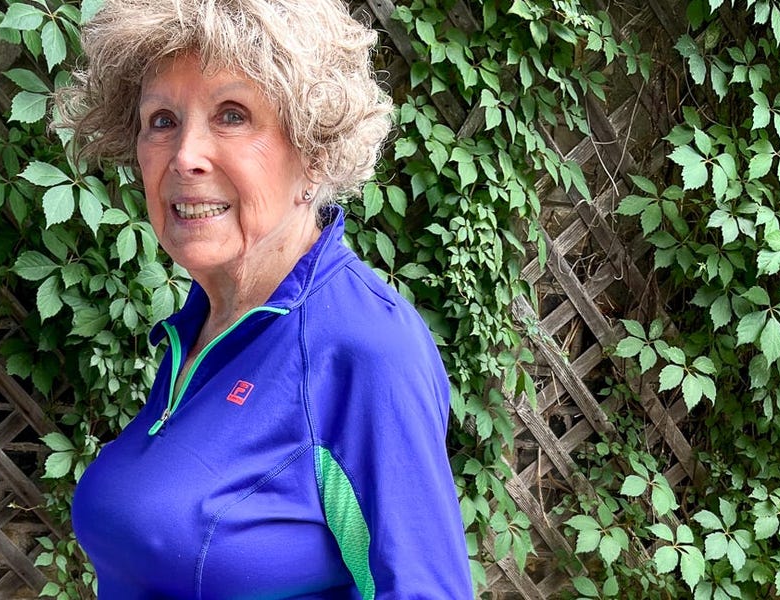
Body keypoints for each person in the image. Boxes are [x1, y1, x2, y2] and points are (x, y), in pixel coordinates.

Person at [63, 0, 475, 597]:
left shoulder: (363, 349)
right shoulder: (203, 327)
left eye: (232, 115)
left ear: (315, 151)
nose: (184, 155)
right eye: (162, 120)